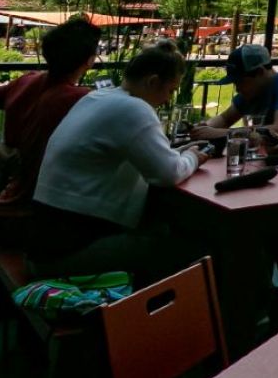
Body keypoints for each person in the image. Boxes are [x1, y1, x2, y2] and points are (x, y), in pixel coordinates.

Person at [25, 42, 210, 282]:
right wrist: (194, 157)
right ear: (152, 81)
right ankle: (154, 316)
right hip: (61, 256)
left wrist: (180, 152)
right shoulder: (134, 109)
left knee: (162, 231)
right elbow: (168, 173)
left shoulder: (98, 97)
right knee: (191, 248)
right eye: (170, 90)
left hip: (43, 242)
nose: (167, 100)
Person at [0, 14, 99, 249]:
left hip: (3, 209)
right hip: (36, 220)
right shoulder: (82, 99)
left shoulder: (26, 82)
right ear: (89, 60)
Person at [192, 44, 278, 146]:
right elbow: (225, 119)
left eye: (240, 82)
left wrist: (220, 133)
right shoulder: (252, 91)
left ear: (260, 72)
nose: (237, 88)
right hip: (277, 159)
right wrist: (202, 129)